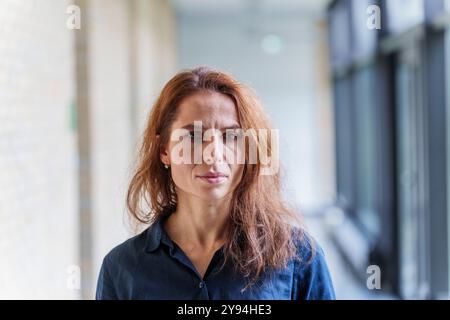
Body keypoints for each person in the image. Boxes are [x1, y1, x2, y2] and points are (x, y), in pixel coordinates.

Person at [96, 66, 335, 300]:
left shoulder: (298, 257)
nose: (214, 154)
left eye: (231, 136)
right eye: (193, 136)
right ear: (164, 150)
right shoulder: (121, 268)